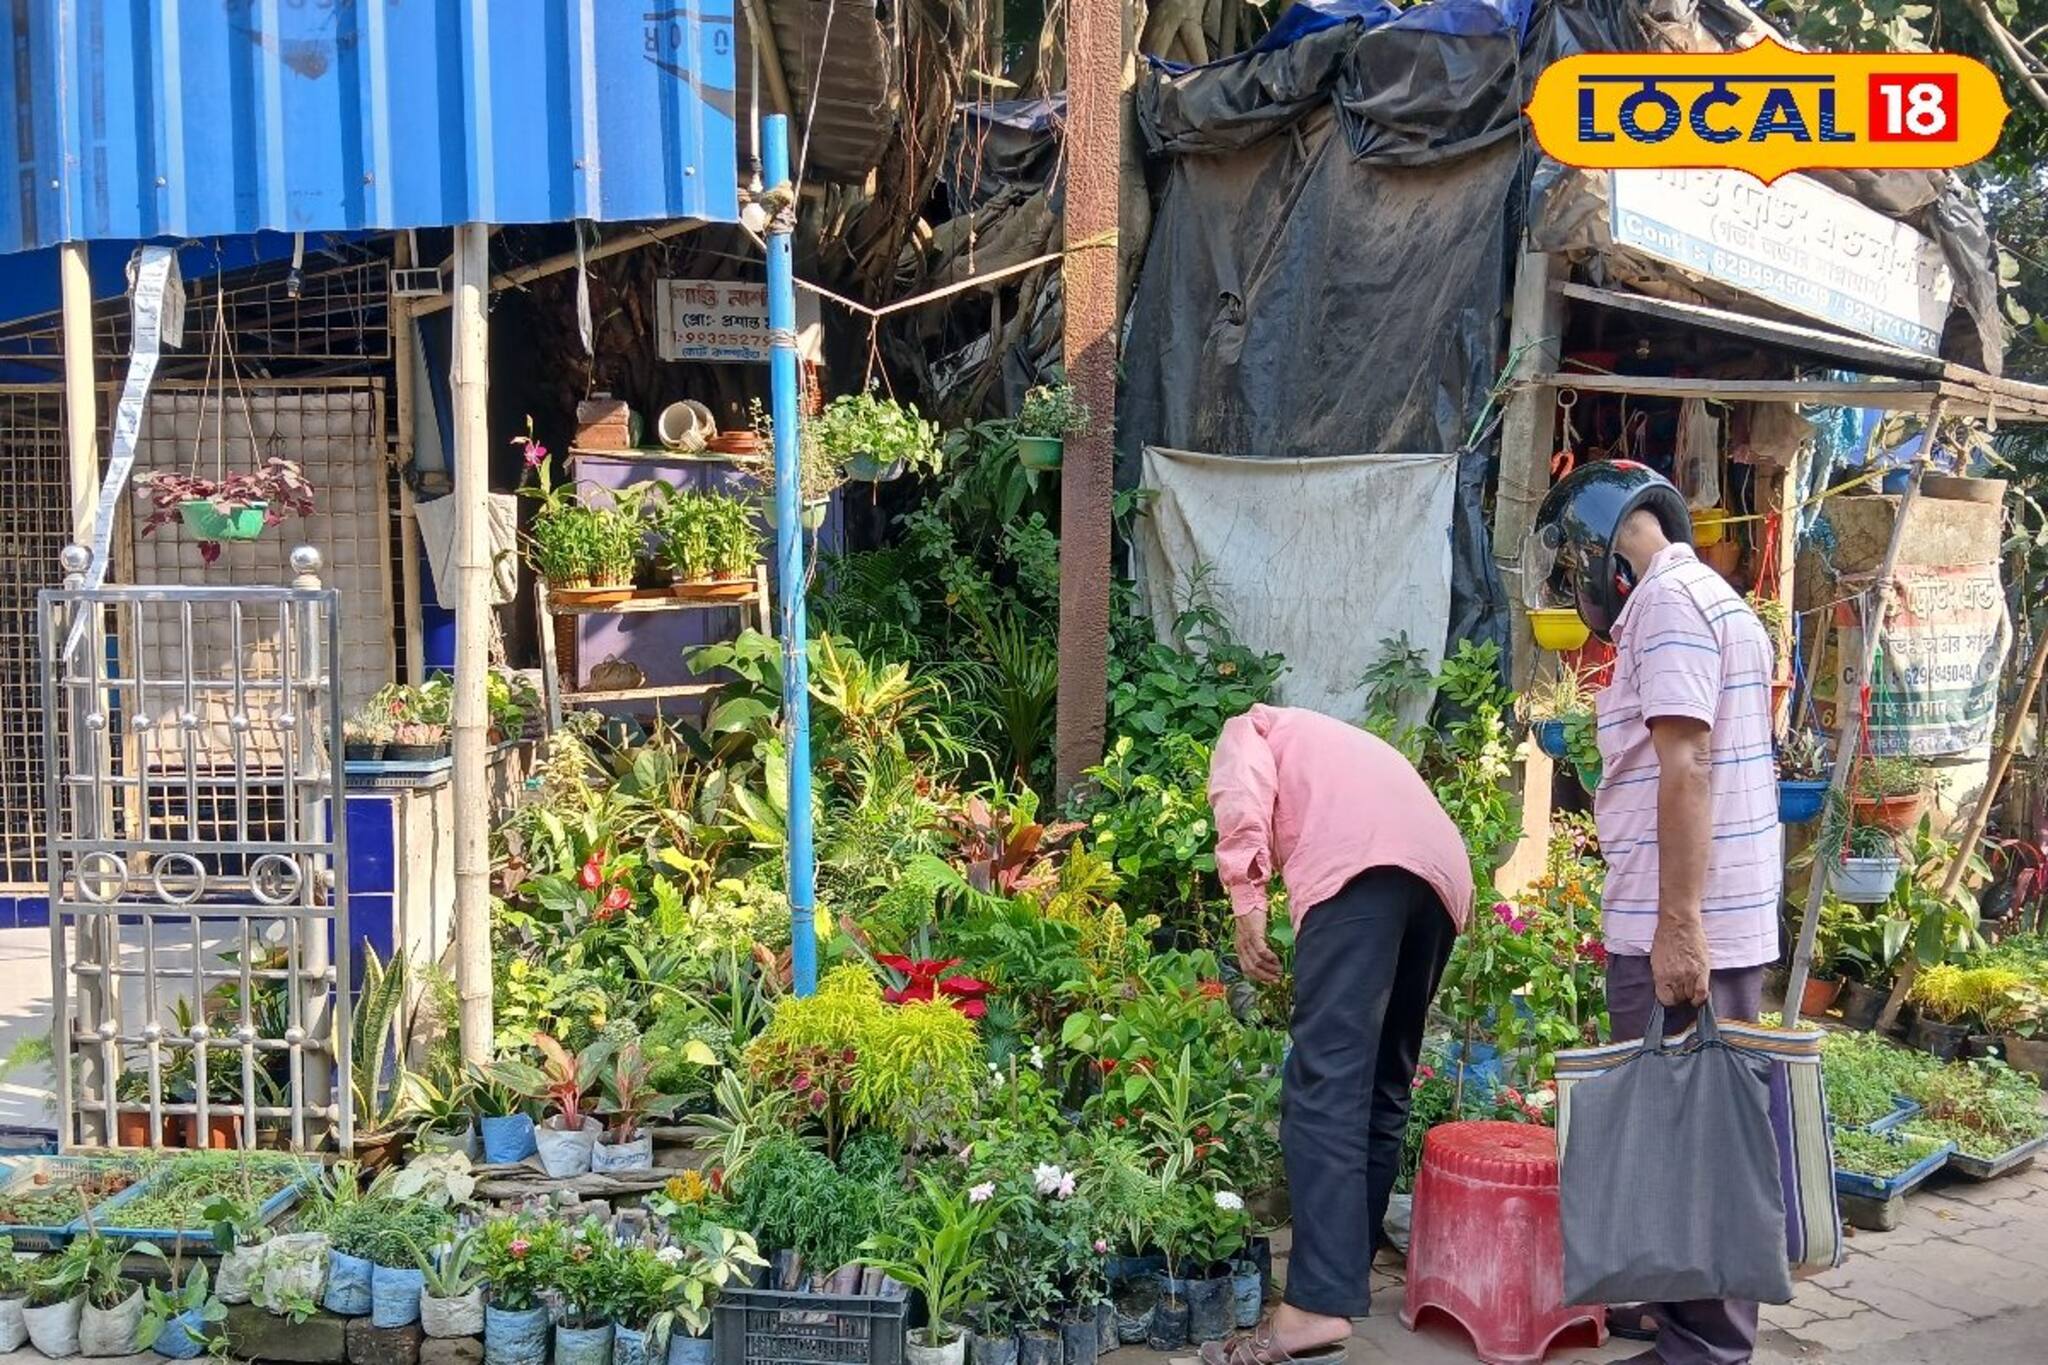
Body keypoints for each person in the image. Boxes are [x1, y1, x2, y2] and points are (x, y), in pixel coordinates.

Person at [1529, 462, 1781, 1365]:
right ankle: (1688, 1331)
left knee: (1691, 1142)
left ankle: (1704, 1349)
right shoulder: (1714, 598)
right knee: (1694, 1134)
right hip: (1714, 913)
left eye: (1575, 568)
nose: (1578, 589)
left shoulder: (1668, 607)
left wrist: (1678, 924)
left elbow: (1687, 764)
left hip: (1683, 922)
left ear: (1607, 558)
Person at [1202, 704, 1473, 1365]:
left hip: (1360, 864)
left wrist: (1247, 904)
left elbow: (1241, 796)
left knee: (1325, 1083)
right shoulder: (1338, 742)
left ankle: (1314, 1310)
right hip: (1441, 879)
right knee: (1382, 1084)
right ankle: (1341, 1279)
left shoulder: (1251, 727)